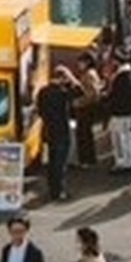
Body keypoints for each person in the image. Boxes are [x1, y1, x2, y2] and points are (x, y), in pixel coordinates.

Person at [37, 65, 79, 200]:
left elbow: (40, 110)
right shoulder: (62, 92)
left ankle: (52, 189)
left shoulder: (43, 92)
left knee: (52, 161)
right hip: (62, 129)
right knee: (60, 163)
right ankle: (59, 191)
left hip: (49, 129)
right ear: (62, 78)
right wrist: (72, 78)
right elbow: (80, 92)